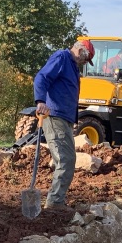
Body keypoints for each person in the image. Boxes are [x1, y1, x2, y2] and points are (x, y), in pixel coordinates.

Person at [33, 39, 94, 209]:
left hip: (64, 119)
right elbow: (42, 77)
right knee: (65, 159)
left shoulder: (72, 66)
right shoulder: (62, 57)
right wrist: (40, 101)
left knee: (68, 158)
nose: (85, 62)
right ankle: (55, 202)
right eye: (86, 58)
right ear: (80, 51)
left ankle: (57, 200)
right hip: (55, 116)